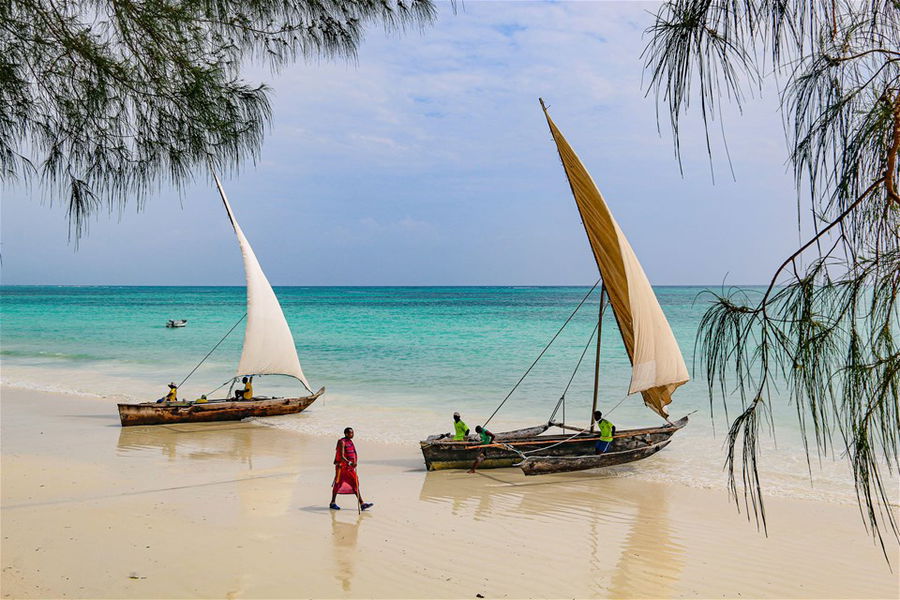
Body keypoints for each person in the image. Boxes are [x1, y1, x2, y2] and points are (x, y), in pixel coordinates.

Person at [330, 427, 373, 511]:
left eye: (352, 433)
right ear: (346, 434)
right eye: (350, 433)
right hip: (341, 468)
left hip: (349, 468)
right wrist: (349, 462)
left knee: (355, 483)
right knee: (338, 484)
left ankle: (362, 503)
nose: (352, 434)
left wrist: (354, 463)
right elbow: (342, 456)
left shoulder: (350, 441)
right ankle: (332, 503)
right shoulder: (341, 442)